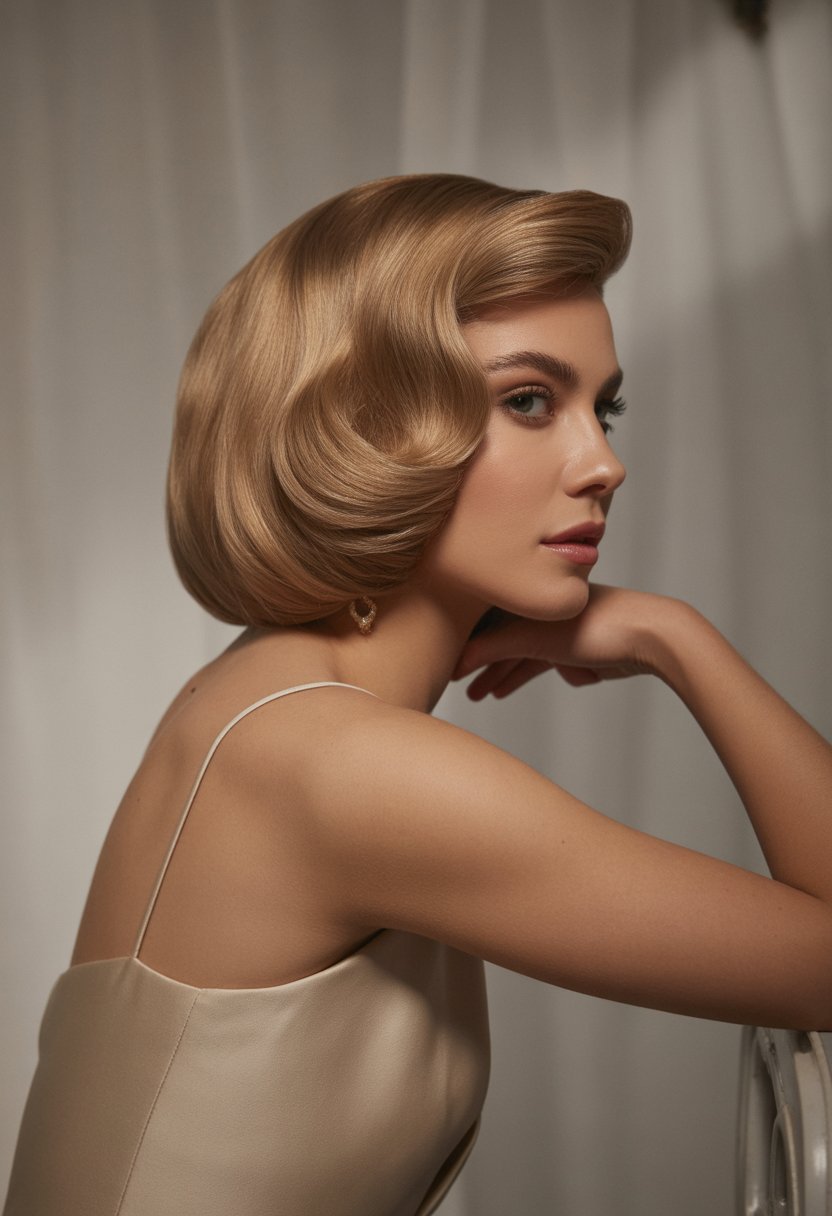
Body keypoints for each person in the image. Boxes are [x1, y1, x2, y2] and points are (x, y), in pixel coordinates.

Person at [4, 173, 831, 1216]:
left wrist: (668, 635)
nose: (604, 463)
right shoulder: (349, 767)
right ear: (367, 428)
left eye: (601, 404)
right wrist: (683, 640)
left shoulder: (254, 695)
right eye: (530, 401)